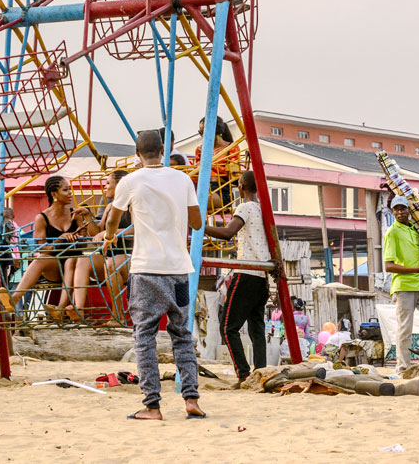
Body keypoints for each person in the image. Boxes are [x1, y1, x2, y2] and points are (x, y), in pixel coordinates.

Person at [103, 129, 204, 421]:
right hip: (179, 271)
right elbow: (196, 222)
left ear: (137, 154)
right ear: (162, 150)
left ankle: (152, 405)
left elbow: (112, 218)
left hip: (146, 269)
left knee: (144, 336)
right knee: (182, 334)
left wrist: (109, 237)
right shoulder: (183, 179)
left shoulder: (131, 181)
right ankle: (192, 400)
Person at [203, 171, 270, 382]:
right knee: (256, 328)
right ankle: (262, 372)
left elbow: (228, 232)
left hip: (246, 273)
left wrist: (200, 227)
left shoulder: (245, 207)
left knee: (227, 327)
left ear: (241, 187)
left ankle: (243, 373)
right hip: (262, 274)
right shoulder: (264, 209)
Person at [0, 176, 94, 321]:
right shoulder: (42, 218)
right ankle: (15, 298)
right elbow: (42, 249)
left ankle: (60, 309)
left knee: (71, 261)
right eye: (65, 190)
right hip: (54, 267)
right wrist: (60, 239)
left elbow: (83, 246)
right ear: (54, 194)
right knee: (41, 258)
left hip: (76, 266)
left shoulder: (76, 214)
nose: (70, 193)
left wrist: (81, 234)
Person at [61, 169, 131, 325]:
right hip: (109, 255)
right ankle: (79, 309)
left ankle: (117, 315)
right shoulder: (109, 207)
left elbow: (137, 227)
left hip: (129, 255)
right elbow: (96, 233)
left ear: (119, 185)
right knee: (83, 260)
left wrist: (111, 232)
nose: (105, 187)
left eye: (108, 183)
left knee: (111, 264)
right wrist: (87, 216)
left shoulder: (132, 204)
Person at [383, 196, 419, 372]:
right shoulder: (392, 232)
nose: (400, 212)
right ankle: (403, 368)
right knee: (405, 329)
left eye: (403, 209)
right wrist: (417, 270)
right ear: (392, 212)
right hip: (404, 286)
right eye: (396, 209)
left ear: (409, 210)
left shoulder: (415, 230)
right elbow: (389, 265)